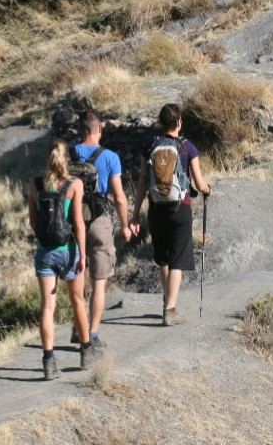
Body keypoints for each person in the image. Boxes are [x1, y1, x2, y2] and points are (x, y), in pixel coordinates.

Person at [130, 103, 212, 326]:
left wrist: (135, 214)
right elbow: (199, 182)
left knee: (163, 259)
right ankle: (170, 310)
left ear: (161, 122)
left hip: (156, 210)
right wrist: (207, 190)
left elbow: (141, 184)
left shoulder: (150, 147)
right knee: (178, 259)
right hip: (180, 208)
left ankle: (168, 301)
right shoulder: (187, 148)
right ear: (179, 122)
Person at [28, 139, 98, 378]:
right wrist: (83, 254)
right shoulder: (74, 184)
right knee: (77, 300)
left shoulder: (36, 185)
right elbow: (78, 221)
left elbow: (33, 222)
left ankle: (48, 362)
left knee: (47, 307)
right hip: (68, 249)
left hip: (44, 251)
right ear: (67, 159)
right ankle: (86, 352)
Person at [69, 110, 132, 348]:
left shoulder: (68, 155)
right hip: (98, 221)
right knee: (99, 281)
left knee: (77, 277)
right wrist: (125, 225)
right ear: (100, 128)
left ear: (79, 129)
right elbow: (119, 197)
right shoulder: (110, 157)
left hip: (71, 222)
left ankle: (78, 328)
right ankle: (91, 334)